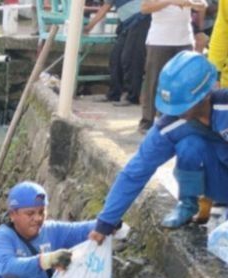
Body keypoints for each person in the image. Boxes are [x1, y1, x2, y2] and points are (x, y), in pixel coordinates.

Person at [91, 51, 226, 242]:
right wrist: (105, 222)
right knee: (189, 146)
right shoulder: (171, 126)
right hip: (219, 184)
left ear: (204, 97)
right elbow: (136, 170)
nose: (175, 112)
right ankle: (188, 204)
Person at [137, 0, 206, 132]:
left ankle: (180, 119)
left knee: (184, 82)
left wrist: (190, 4)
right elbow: (145, 8)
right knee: (154, 81)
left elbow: (203, 5)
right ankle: (147, 121)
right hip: (159, 41)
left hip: (185, 40)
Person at [85, 0, 150, 105]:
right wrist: (89, 27)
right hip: (126, 23)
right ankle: (114, 94)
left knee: (131, 58)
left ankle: (133, 97)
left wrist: (89, 27)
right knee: (115, 58)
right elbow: (106, 6)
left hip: (141, 19)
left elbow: (105, 8)